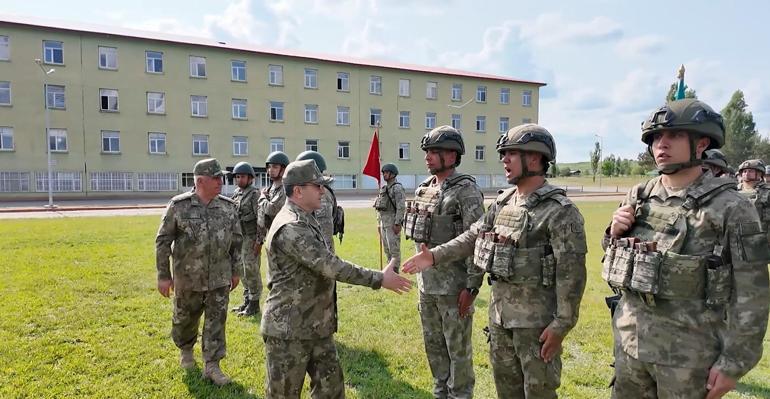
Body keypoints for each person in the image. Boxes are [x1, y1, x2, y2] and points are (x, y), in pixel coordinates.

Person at [403, 124, 587, 399]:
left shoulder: (560, 212)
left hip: (535, 325)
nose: (504, 160)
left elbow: (572, 275)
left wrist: (562, 324)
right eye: (505, 154)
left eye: (512, 153)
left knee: (538, 393)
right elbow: (473, 236)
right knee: (506, 391)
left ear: (535, 158)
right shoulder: (504, 202)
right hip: (500, 319)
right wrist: (433, 256)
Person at [602, 99, 769, 398]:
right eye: (655, 137)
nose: (661, 144)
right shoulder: (639, 196)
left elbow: (752, 295)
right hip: (630, 346)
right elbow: (614, 258)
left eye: (674, 135)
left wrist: (734, 363)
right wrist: (613, 232)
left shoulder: (733, 208)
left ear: (702, 142)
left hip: (688, 358)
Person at [261, 159, 412, 398]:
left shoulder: (306, 217)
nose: (323, 190)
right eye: (317, 186)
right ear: (298, 191)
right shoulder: (291, 226)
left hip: (316, 325)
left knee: (331, 391)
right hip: (288, 330)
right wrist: (379, 278)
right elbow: (331, 266)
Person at [402, 125, 484, 398]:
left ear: (452, 156)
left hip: (454, 289)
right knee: (435, 350)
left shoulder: (466, 191)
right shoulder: (424, 189)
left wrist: (471, 287)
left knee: (458, 355)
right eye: (427, 151)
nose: (427, 157)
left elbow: (477, 241)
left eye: (434, 152)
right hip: (427, 288)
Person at [155, 158, 243, 386]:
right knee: (185, 319)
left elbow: (237, 242)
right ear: (200, 180)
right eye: (216, 178)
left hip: (219, 279)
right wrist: (164, 275)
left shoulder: (228, 207)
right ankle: (186, 351)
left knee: (216, 322)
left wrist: (236, 271)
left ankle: (212, 365)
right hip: (188, 279)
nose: (220, 182)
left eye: (221, 177)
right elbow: (163, 242)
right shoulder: (179, 206)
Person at [229, 161, 262, 317]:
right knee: (242, 270)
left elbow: (260, 220)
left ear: (250, 178)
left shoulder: (255, 194)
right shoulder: (236, 193)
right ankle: (247, 301)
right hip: (240, 238)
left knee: (251, 270)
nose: (239, 179)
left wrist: (259, 242)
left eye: (242, 177)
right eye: (237, 177)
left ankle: (254, 304)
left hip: (251, 238)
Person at [373, 163, 406, 271]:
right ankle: (389, 270)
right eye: (384, 173)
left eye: (387, 172)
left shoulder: (397, 188)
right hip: (384, 222)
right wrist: (379, 223)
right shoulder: (384, 188)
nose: (384, 175)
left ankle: (395, 270)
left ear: (393, 174)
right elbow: (380, 207)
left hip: (392, 222)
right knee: (387, 248)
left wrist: (398, 223)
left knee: (394, 248)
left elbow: (401, 207)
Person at [737, 159, 770, 242]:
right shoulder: (733, 190)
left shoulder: (767, 191)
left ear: (760, 174)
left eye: (751, 171)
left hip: (761, 239)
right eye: (744, 171)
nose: (746, 174)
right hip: (737, 238)